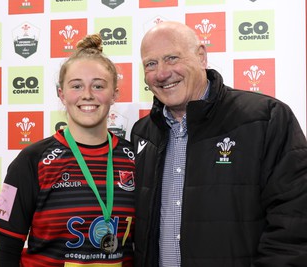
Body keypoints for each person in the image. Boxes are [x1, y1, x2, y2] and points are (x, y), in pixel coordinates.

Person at [130, 21, 307, 267]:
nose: (161, 73)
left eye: (172, 58)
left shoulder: (266, 119)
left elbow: (294, 224)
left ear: (201, 57)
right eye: (151, 64)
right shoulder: (142, 134)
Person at [0, 33, 135, 267]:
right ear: (62, 93)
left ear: (114, 94)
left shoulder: (135, 159)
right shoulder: (30, 160)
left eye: (98, 85)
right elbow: (6, 252)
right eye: (76, 86)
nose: (87, 94)